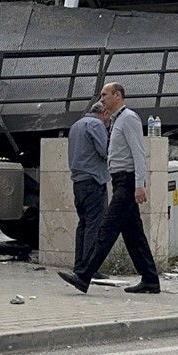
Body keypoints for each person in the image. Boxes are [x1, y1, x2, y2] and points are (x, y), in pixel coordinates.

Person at [58, 82, 160, 295]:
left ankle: (84, 275)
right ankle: (150, 279)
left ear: (118, 96)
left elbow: (138, 154)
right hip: (120, 180)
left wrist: (139, 185)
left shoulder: (129, 118)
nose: (101, 98)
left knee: (106, 228)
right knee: (134, 235)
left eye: (105, 95)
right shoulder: (116, 120)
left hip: (128, 181)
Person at [68, 101, 110, 280]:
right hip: (94, 180)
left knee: (83, 223)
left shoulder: (76, 125)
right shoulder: (96, 125)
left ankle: (79, 265)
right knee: (95, 224)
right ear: (105, 114)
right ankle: (89, 268)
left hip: (78, 181)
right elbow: (105, 150)